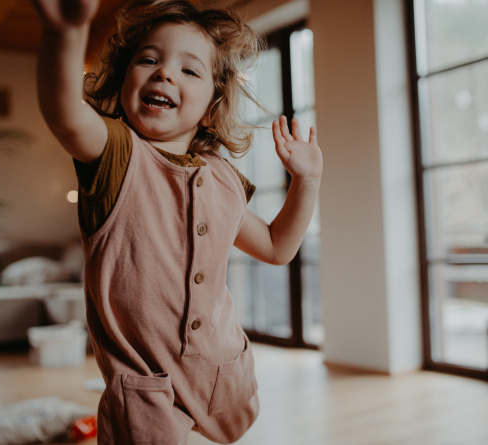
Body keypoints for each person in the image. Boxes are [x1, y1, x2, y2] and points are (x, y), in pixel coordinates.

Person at [33, 0, 322, 443]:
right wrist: (66, 32)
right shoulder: (115, 154)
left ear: (211, 104)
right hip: (148, 395)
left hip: (222, 377)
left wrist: (307, 180)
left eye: (190, 70)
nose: (165, 72)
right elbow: (65, 115)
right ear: (124, 77)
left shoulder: (222, 177)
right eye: (148, 59)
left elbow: (278, 247)